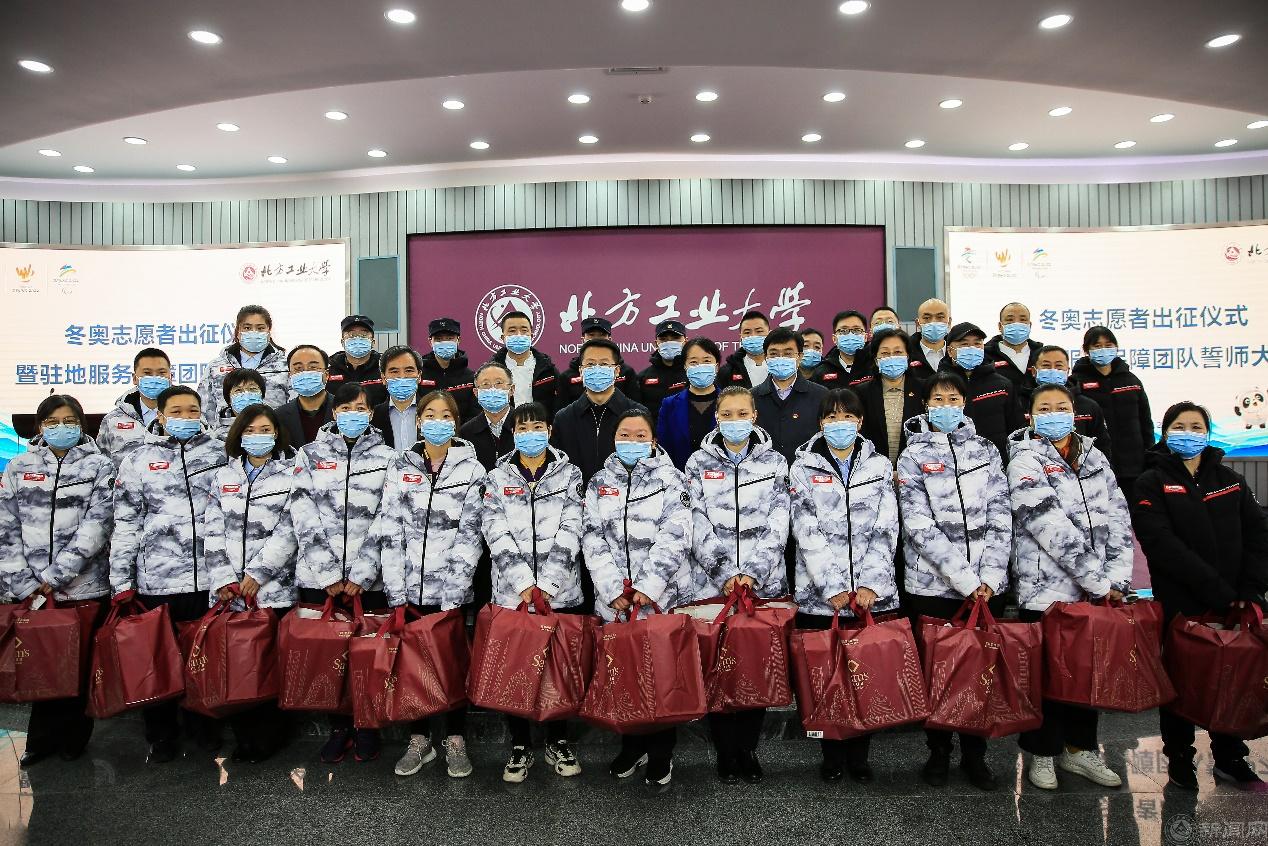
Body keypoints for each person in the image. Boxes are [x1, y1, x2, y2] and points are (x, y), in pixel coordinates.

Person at [1132, 401, 1268, 789]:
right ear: (1165, 432)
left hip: (1235, 600)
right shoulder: (1150, 481)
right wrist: (1214, 588)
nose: (1188, 433)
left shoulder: (1230, 479)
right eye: (1179, 426)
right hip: (1183, 601)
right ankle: (1180, 759)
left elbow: (1258, 533)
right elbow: (1161, 543)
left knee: (1233, 678)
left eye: (1196, 426)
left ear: (1207, 433)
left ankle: (1230, 757)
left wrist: (1250, 588)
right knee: (1181, 681)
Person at [1008, 383, 1134, 792]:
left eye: (1060, 407)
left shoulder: (1095, 457)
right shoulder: (1024, 459)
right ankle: (1043, 754)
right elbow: (1048, 525)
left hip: (1094, 591)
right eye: (1044, 408)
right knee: (1047, 677)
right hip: (1045, 591)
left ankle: (1080, 750)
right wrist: (1097, 581)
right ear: (1031, 416)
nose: (1053, 414)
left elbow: (1119, 517)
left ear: (1074, 412)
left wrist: (1117, 578)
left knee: (1086, 673)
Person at [896, 372, 1012, 792]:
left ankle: (975, 754)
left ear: (964, 403)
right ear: (926, 405)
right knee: (938, 672)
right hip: (933, 585)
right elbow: (917, 523)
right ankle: (938, 751)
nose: (945, 405)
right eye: (937, 399)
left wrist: (990, 576)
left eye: (953, 398)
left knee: (979, 669)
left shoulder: (986, 450)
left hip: (987, 584)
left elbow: (1002, 514)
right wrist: (964, 579)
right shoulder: (912, 455)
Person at [109, 385, 229, 763]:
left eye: (192, 410)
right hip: (157, 579)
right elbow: (126, 523)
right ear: (160, 416)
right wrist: (121, 580)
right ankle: (160, 734)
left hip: (207, 578)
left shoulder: (219, 453)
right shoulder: (137, 459)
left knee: (201, 657)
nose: (185, 417)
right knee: (158, 659)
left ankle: (202, 726)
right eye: (176, 411)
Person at [371, 390, 485, 780]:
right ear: (419, 422)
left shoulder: (472, 470)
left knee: (450, 665)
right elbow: (390, 528)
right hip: (407, 590)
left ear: (455, 422)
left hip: (449, 592)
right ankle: (419, 739)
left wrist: (453, 592)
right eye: (430, 415)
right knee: (411, 666)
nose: (437, 422)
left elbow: (471, 535)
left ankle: (455, 738)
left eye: (445, 415)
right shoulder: (400, 465)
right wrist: (397, 589)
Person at [789, 388, 899, 783]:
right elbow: (805, 529)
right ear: (821, 423)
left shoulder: (880, 466)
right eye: (832, 417)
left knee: (864, 674)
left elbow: (887, 527)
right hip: (822, 596)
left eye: (848, 416)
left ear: (860, 422)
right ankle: (831, 753)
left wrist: (869, 584)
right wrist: (832, 585)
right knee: (826, 676)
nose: (840, 424)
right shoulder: (802, 468)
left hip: (869, 596)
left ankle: (859, 755)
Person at [583, 408, 697, 787]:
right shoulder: (599, 482)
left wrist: (648, 586)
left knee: (662, 676)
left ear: (653, 440)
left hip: (660, 599)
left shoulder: (672, 479)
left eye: (640, 435)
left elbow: (676, 535)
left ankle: (662, 752)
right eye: (625, 435)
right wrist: (613, 588)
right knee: (625, 675)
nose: (632, 441)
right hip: (616, 602)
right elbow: (591, 536)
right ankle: (632, 747)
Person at [0, 395, 114, 766]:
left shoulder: (100, 465)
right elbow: (5, 525)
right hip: (31, 590)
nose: (61, 427)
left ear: (81, 424)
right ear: (40, 427)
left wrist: (56, 575)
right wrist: (23, 580)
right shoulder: (19, 466)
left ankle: (74, 739)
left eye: (68, 420)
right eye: (52, 421)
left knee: (76, 666)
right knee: (39, 664)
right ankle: (40, 740)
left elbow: (98, 526)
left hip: (83, 586)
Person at [685, 386, 790, 786]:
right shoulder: (697, 462)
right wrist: (725, 572)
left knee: (754, 666)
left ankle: (748, 749)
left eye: (741, 413)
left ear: (754, 416)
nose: (734, 420)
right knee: (718, 668)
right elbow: (694, 520)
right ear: (716, 418)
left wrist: (753, 573)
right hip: (713, 586)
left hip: (762, 586)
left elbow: (780, 521)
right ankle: (726, 752)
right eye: (726, 414)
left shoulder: (775, 462)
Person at [288, 382, 396, 765]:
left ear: (371, 414)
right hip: (321, 579)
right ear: (334, 413)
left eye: (360, 408)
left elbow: (389, 516)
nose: (353, 414)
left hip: (371, 579)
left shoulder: (389, 458)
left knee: (368, 654)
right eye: (346, 408)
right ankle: (339, 726)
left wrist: (363, 572)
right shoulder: (309, 455)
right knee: (329, 654)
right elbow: (301, 512)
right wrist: (328, 572)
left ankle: (367, 725)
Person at [480, 402, 586, 783]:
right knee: (516, 669)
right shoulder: (497, 476)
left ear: (549, 431)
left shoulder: (570, 473)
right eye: (522, 428)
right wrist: (524, 583)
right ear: (513, 434)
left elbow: (574, 526)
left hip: (560, 593)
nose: (530, 433)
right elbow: (493, 529)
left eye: (537, 426)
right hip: (513, 594)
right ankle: (520, 744)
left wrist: (548, 584)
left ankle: (558, 740)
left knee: (558, 670)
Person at [205, 403, 298, 764]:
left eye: (265, 430)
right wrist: (223, 577)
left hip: (273, 589)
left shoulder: (291, 473)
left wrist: (258, 573)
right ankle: (244, 737)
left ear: (276, 434)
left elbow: (289, 530)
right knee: (238, 664)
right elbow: (213, 529)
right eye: (250, 430)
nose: (257, 437)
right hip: (230, 592)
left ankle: (270, 737)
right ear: (238, 435)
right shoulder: (222, 476)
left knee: (271, 664)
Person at [1071, 325, 1155, 493]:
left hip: (1133, 464)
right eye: (1097, 346)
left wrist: (1149, 455)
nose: (1103, 350)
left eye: (1108, 345)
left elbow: (1145, 422)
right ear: (1086, 350)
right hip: (1095, 464)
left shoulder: (1131, 381)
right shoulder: (1076, 382)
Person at [550, 338, 647, 482]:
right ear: (581, 371)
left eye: (604, 364)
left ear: (617, 371)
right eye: (590, 364)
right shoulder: (564, 418)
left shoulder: (638, 415)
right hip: (577, 494)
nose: (597, 369)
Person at [939, 322, 1025, 463]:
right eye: (964, 344)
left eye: (977, 344)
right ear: (950, 350)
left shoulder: (1002, 385)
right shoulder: (938, 386)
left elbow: (1016, 431)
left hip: (996, 465)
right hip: (951, 464)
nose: (971, 349)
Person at [197, 304, 290, 424]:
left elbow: (293, 408)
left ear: (269, 331)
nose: (254, 332)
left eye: (260, 328)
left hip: (269, 431)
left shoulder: (285, 366)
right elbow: (204, 409)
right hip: (225, 433)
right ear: (238, 331)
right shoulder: (216, 366)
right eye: (247, 328)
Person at [1019, 345, 1112, 463]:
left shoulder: (1088, 405)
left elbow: (1102, 445)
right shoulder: (1019, 403)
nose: (1053, 370)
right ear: (1034, 371)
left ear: (1067, 371)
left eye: (1058, 366)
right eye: (1046, 366)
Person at [752, 327, 828, 464]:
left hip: (808, 473)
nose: (780, 358)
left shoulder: (822, 395)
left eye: (788, 353)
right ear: (765, 357)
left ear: (800, 357)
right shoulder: (750, 397)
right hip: (763, 473)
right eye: (774, 354)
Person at [853, 329, 925, 465]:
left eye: (898, 352)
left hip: (916, 468)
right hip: (874, 469)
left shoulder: (924, 389)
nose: (892, 357)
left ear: (908, 357)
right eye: (885, 353)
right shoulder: (861, 393)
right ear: (876, 360)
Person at [96, 347, 172, 465]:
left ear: (170, 377)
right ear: (135, 378)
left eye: (161, 373)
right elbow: (101, 465)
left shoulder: (185, 417)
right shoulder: (112, 420)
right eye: (147, 373)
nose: (154, 378)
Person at [656, 337, 722, 470]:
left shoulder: (730, 403)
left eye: (706, 361)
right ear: (685, 366)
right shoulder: (669, 405)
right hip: (680, 477)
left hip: (723, 478)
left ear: (716, 366)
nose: (700, 366)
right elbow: (664, 449)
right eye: (693, 362)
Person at [557, 317, 640, 407]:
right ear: (583, 340)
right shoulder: (566, 377)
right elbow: (561, 410)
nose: (596, 339)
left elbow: (635, 408)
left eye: (601, 335)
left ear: (610, 339)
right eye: (591, 335)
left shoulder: (627, 372)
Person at [488, 310, 559, 413]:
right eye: (512, 331)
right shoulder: (491, 371)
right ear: (503, 337)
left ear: (531, 336)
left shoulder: (548, 370)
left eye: (524, 330)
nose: (519, 335)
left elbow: (559, 404)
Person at [418, 317, 477, 421]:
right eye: (439, 339)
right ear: (430, 342)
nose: (444, 343)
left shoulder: (471, 378)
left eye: (450, 338)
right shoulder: (419, 376)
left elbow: (474, 414)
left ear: (458, 340)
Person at [460, 362, 517, 471]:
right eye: (485, 384)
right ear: (476, 393)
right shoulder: (466, 432)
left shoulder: (525, 426)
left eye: (499, 383)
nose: (492, 390)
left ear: (512, 389)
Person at [275, 345, 333, 447]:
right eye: (298, 368)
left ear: (327, 374)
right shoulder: (278, 416)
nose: (306, 372)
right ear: (290, 375)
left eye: (313, 367)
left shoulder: (344, 410)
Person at [370, 345, 424, 451]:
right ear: (383, 378)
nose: (402, 377)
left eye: (409, 370)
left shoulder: (432, 413)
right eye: (394, 371)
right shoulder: (372, 417)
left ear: (419, 376)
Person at [636, 319, 688, 425]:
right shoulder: (643, 377)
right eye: (663, 339)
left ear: (686, 341)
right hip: (655, 433)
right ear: (656, 343)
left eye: (675, 338)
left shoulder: (694, 373)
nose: (669, 342)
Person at [327, 315, 386, 407]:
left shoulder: (384, 368)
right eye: (351, 335)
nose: (357, 339)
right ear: (342, 342)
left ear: (373, 342)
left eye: (364, 335)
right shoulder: (329, 370)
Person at [984, 302, 1042, 388]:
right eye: (1010, 320)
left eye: (1023, 320)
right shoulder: (985, 357)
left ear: (1029, 325)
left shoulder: (1041, 355)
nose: (1016, 324)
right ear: (1000, 326)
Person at [814, 310, 873, 386]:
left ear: (865, 337)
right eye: (843, 331)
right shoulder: (822, 371)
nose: (850, 335)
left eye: (856, 330)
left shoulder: (875, 366)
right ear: (834, 339)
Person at [717, 310, 770, 389]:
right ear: (741, 337)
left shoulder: (781, 365)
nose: (753, 336)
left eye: (759, 331)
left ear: (769, 334)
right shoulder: (727, 371)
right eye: (747, 332)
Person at [214, 368, 269, 437]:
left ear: (262, 395)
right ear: (228, 399)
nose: (246, 395)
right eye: (238, 390)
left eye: (252, 389)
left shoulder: (273, 426)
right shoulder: (217, 437)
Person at [910, 298, 951, 374]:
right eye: (927, 318)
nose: (933, 322)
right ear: (918, 323)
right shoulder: (907, 352)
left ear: (949, 322)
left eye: (940, 317)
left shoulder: (957, 353)